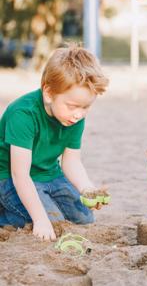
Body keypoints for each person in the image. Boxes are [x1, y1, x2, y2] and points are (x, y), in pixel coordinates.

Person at [0, 44, 109, 241]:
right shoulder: (23, 114)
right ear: (49, 93)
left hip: (50, 174)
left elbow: (71, 161)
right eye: (73, 106)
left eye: (86, 107)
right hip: (10, 178)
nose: (79, 114)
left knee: (84, 218)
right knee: (52, 221)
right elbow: (20, 175)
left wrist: (87, 188)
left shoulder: (74, 115)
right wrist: (41, 219)